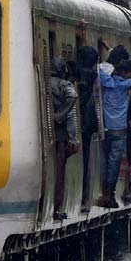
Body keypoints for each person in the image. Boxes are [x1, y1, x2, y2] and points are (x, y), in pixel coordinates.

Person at [97, 59, 131, 208]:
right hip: (119, 131)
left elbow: (101, 69)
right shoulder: (125, 85)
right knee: (114, 162)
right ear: (125, 73)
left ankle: (104, 190)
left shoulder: (106, 81)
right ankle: (109, 193)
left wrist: (112, 70)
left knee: (104, 160)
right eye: (130, 73)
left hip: (105, 129)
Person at [50, 57, 79, 220]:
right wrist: (61, 114)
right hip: (60, 135)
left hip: (45, 133)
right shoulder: (62, 84)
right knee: (59, 173)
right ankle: (56, 207)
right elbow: (73, 96)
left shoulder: (42, 81)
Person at [75, 45, 100, 213]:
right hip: (88, 123)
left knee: (84, 161)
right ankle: (85, 194)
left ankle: (84, 193)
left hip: (78, 123)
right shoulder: (93, 75)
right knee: (86, 161)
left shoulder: (78, 74)